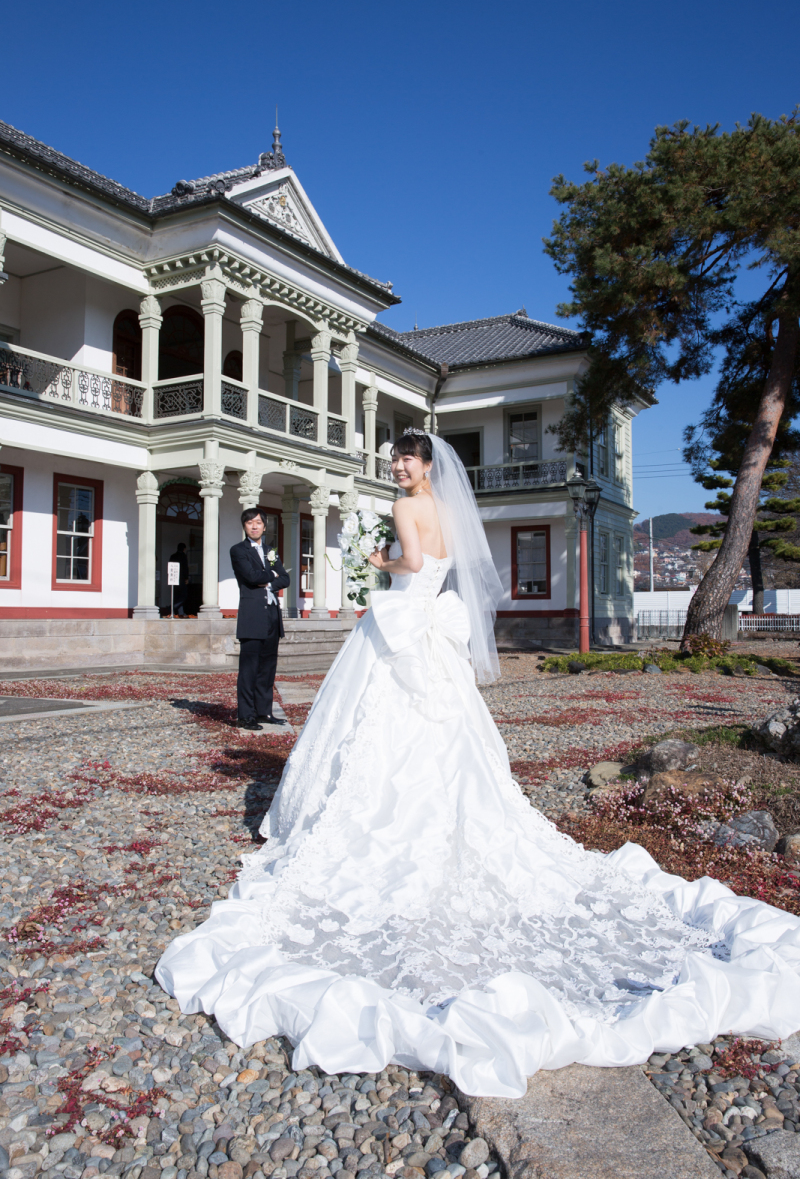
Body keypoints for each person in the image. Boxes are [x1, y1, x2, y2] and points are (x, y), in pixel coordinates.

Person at [157, 434, 800, 1098]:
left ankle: (376, 816)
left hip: (406, 623)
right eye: (394, 462)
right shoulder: (447, 509)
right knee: (445, 733)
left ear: (425, 464)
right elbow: (440, 564)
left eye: (404, 461)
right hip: (430, 630)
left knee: (375, 726)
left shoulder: (407, 508)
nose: (397, 469)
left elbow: (408, 561)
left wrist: (376, 558)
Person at [230, 508, 290, 731]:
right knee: (249, 669)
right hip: (252, 616)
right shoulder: (238, 550)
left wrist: (272, 580)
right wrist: (272, 575)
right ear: (244, 526)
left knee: (267, 667)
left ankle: (263, 711)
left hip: (272, 616)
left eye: (258, 523)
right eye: (249, 523)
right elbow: (252, 576)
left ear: (265, 526)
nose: (254, 526)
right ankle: (245, 716)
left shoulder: (270, 551)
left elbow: (286, 578)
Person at [168, 542, 189, 617]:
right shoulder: (183, 556)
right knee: (183, 596)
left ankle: (180, 613)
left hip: (173, 579)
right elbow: (185, 568)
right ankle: (172, 608)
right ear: (184, 549)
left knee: (176, 596)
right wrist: (186, 578)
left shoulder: (173, 556)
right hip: (181, 579)